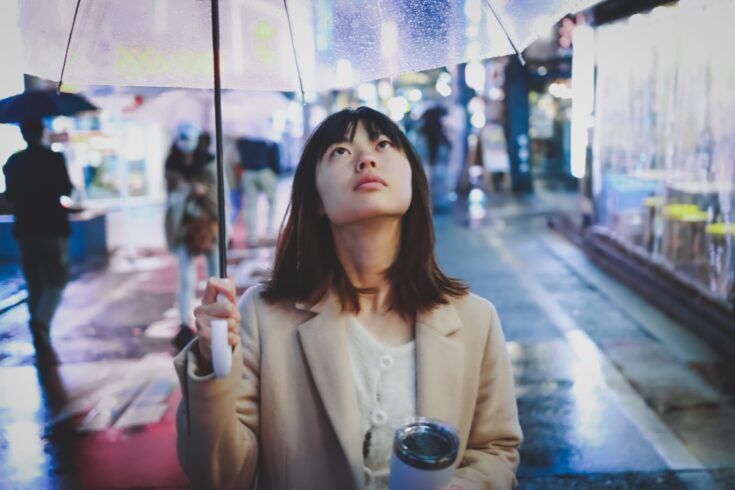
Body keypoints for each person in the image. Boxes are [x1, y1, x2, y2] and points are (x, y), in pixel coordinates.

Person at [174, 107, 522, 489]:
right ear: (317, 199)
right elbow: (222, 475)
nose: (366, 158)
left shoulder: (476, 320)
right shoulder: (262, 317)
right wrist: (212, 363)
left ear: (412, 177)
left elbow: (495, 451)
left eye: (384, 144)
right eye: (340, 151)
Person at [3, 119, 73, 366]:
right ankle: (41, 322)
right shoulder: (53, 159)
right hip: (52, 228)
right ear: (42, 132)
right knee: (57, 279)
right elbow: (67, 188)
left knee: (35, 282)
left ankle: (40, 334)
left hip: (26, 229)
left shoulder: (12, 163)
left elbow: (9, 196)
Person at [164, 123, 219, 351]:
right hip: (184, 226)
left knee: (215, 276)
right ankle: (185, 323)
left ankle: (218, 319)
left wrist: (202, 189)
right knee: (186, 278)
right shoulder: (171, 164)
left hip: (209, 224)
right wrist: (186, 189)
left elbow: (217, 195)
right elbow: (172, 197)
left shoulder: (209, 162)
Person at [235, 136, 280, 247]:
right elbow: (275, 153)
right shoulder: (264, 135)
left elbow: (239, 157)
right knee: (272, 201)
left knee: (250, 206)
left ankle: (252, 237)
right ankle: (269, 228)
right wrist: (276, 171)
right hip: (265, 170)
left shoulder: (242, 138)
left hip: (248, 172)